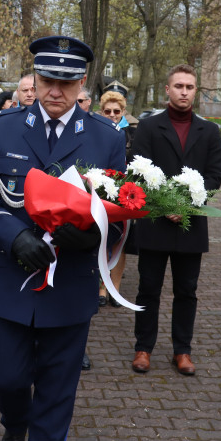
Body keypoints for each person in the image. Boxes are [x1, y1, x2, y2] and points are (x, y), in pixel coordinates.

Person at [0, 35, 125, 441]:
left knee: (57, 388)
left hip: (70, 285)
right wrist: (14, 238)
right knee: (6, 374)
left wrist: (92, 236)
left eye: (66, 81)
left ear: (83, 84)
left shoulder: (106, 137)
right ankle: (15, 424)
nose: (55, 90)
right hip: (10, 275)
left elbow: (121, 210)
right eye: (47, 79)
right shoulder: (2, 128)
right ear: (34, 78)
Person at [129, 64, 221, 376]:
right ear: (167, 90)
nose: (184, 92)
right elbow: (138, 172)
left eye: (190, 87)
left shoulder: (208, 131)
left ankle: (182, 350)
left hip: (190, 224)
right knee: (148, 288)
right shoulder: (148, 127)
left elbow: (214, 175)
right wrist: (166, 204)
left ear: (195, 91)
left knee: (187, 290)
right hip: (155, 222)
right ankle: (143, 348)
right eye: (179, 86)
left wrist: (185, 204)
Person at [96, 90, 132, 310]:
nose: (112, 114)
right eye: (107, 111)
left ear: (123, 112)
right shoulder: (95, 133)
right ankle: (101, 287)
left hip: (126, 194)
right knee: (101, 241)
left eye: (116, 111)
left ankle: (114, 288)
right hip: (100, 194)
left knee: (121, 242)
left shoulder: (131, 134)